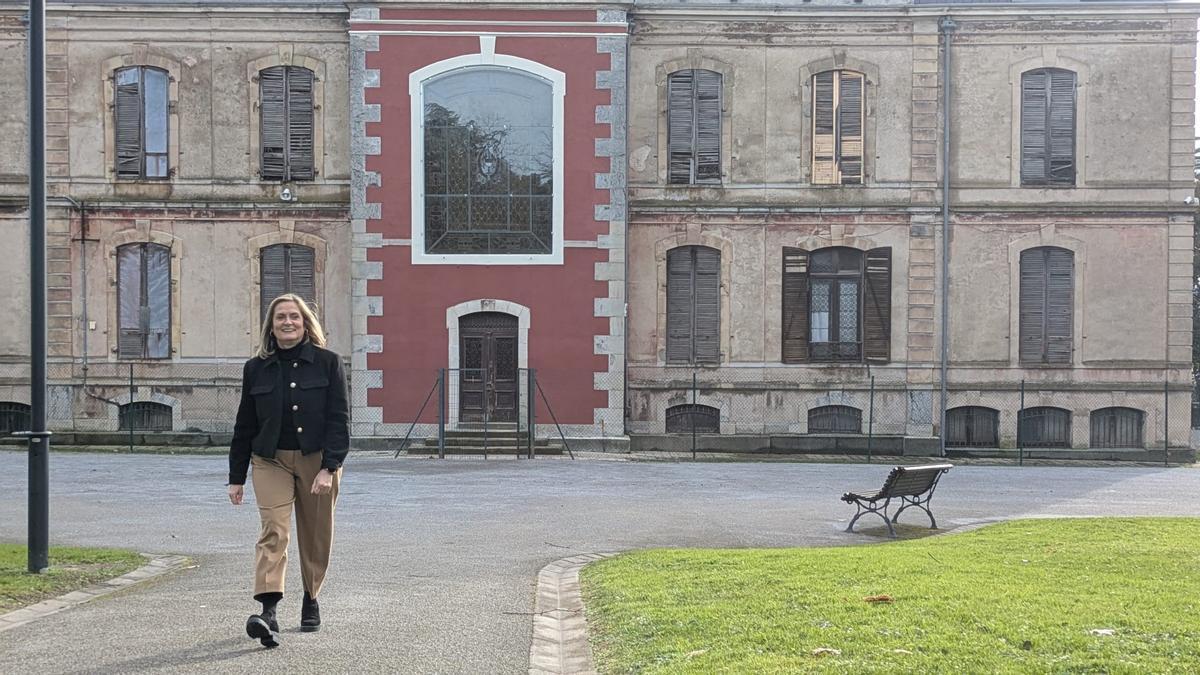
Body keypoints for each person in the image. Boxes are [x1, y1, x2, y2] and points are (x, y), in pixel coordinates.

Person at [227, 293, 349, 648]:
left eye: (294, 316)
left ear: (305, 323)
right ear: (271, 326)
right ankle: (268, 612)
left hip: (317, 460)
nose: (287, 322)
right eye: (280, 317)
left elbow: (339, 419)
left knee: (316, 534)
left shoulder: (328, 363)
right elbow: (244, 424)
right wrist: (236, 477)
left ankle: (311, 598)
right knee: (273, 530)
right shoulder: (255, 368)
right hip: (270, 460)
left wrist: (329, 467)